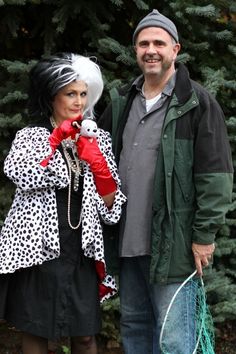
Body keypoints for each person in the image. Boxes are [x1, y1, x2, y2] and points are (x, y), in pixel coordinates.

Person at [98, 9, 233, 354]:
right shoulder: (122, 102)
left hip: (175, 248)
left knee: (173, 341)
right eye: (143, 43)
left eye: (159, 42)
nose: (151, 50)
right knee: (134, 331)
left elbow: (215, 177)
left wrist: (204, 237)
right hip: (127, 244)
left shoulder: (197, 103)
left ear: (176, 49)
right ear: (135, 51)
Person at [0, 52, 126, 354]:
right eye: (70, 93)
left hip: (81, 249)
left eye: (83, 94)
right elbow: (20, 174)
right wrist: (56, 144)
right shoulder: (32, 136)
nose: (79, 102)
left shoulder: (99, 139)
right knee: (37, 330)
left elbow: (113, 208)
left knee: (85, 336)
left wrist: (100, 169)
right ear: (52, 95)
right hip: (39, 249)